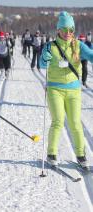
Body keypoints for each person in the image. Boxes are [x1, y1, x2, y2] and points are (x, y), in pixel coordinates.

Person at [39, 11, 93, 168]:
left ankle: (81, 155)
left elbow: (90, 55)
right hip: (55, 88)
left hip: (74, 90)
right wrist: (45, 57)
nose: (68, 33)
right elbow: (42, 64)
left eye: (71, 30)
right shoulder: (51, 46)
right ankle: (52, 153)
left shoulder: (78, 45)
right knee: (58, 121)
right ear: (58, 30)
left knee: (76, 122)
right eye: (64, 29)